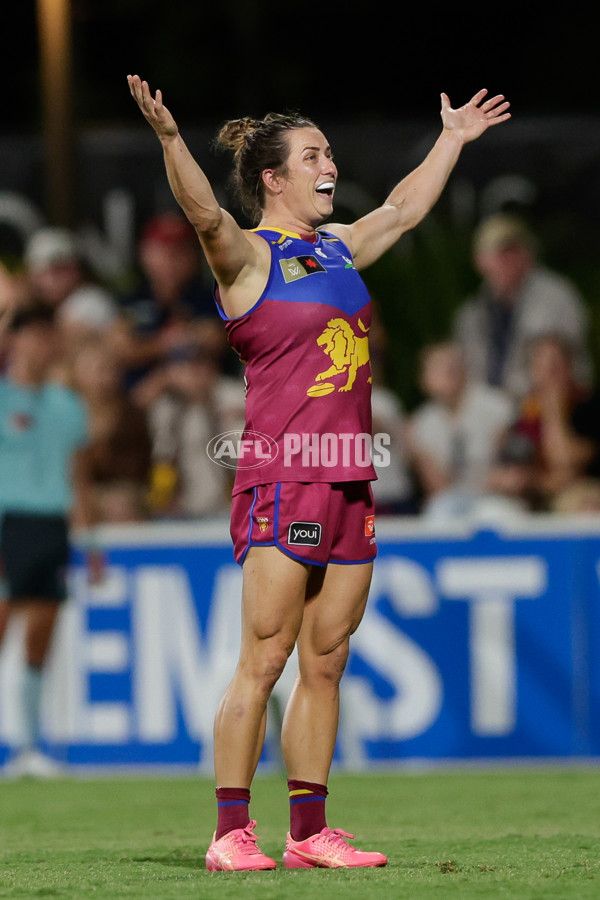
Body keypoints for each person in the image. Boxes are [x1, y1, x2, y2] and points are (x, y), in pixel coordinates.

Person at [128, 73, 510, 871]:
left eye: (329, 151)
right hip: (282, 479)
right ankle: (232, 831)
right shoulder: (247, 259)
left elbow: (401, 210)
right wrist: (169, 140)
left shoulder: (335, 250)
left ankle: (309, 834)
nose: (328, 162)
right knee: (264, 659)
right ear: (274, 178)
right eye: (313, 155)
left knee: (326, 659)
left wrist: (451, 140)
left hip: (348, 479)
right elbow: (203, 212)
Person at [0, 305, 91, 777]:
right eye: (30, 335)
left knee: (39, 639)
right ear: (14, 341)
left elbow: (79, 479)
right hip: (6, 523)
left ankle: (28, 745)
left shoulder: (68, 406)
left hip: (51, 526)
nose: (39, 345)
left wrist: (90, 540)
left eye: (45, 335)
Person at [453, 213, 591, 400]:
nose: (508, 259)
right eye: (499, 252)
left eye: (514, 249)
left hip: (544, 407)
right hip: (492, 414)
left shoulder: (555, 295)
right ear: (480, 261)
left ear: (528, 253)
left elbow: (560, 366)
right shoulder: (471, 312)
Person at [110, 211, 231, 386]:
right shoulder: (133, 298)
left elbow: (215, 339)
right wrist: (166, 342)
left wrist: (148, 350)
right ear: (144, 253)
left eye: (180, 251)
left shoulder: (210, 296)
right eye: (163, 251)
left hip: (198, 389)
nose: (171, 260)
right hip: (137, 396)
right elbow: (119, 349)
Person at [407, 341, 518, 522]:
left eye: (452, 365)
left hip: (495, 497)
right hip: (451, 501)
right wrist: (418, 451)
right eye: (438, 366)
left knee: (498, 515)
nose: (448, 371)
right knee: (438, 515)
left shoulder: (496, 406)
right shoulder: (422, 424)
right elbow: (437, 489)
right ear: (424, 380)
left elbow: (510, 469)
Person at [488, 332, 600, 511]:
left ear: (569, 369)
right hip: (535, 497)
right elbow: (515, 468)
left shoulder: (588, 407)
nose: (547, 374)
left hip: (582, 494)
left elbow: (566, 464)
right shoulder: (525, 412)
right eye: (540, 366)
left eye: (554, 367)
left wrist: (553, 412)